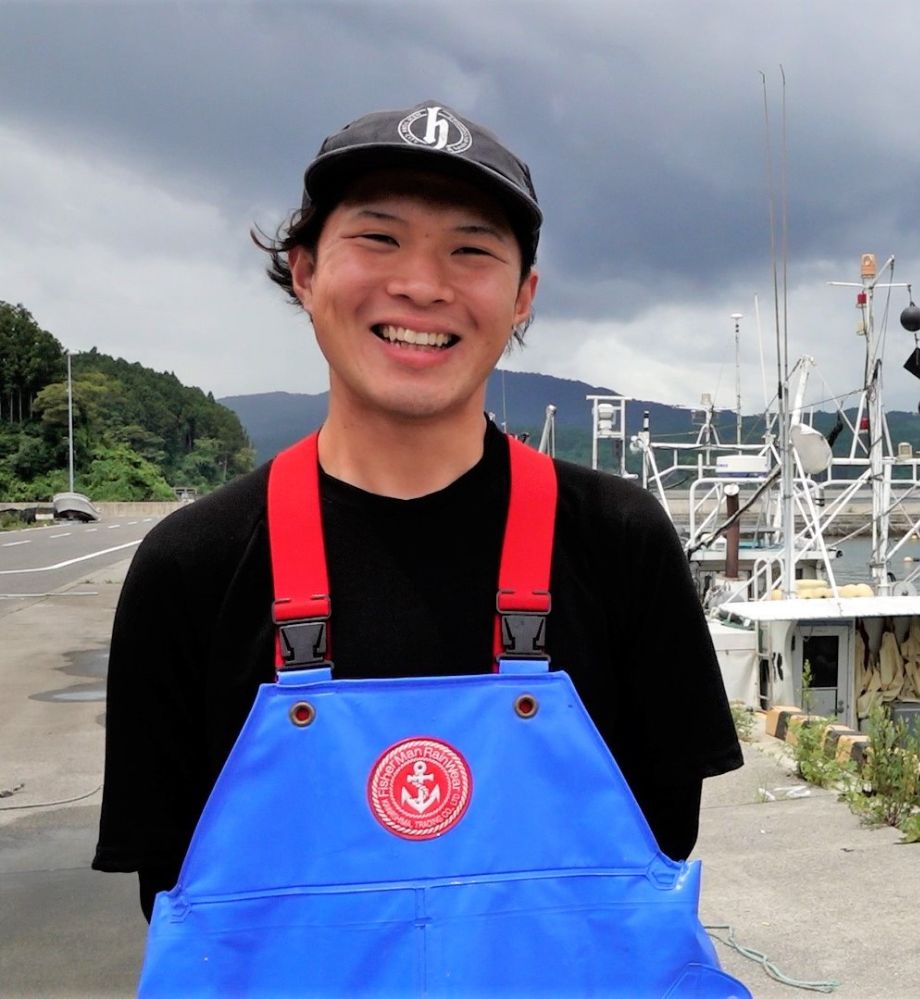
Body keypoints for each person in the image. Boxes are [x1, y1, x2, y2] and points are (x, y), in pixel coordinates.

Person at [92, 101, 745, 923]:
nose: (422, 284)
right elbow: (174, 896)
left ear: (523, 298)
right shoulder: (191, 566)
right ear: (303, 270)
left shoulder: (621, 543)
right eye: (379, 237)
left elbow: (660, 847)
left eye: (470, 250)